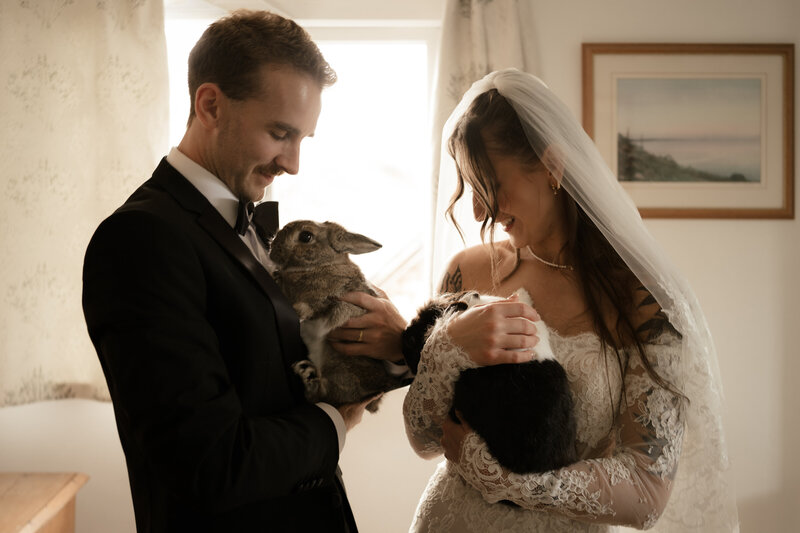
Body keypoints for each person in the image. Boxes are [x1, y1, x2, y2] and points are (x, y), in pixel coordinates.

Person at [82, 10, 401, 532]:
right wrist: (333, 424)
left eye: (303, 140)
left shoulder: (250, 225)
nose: (294, 163)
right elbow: (209, 462)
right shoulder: (140, 239)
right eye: (280, 134)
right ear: (210, 105)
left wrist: (390, 342)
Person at [403, 69, 738, 532]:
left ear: (552, 167)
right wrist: (447, 346)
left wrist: (503, 480)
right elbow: (423, 438)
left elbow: (646, 491)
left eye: (490, 185)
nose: (478, 211)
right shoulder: (468, 271)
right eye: (469, 188)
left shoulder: (642, 300)